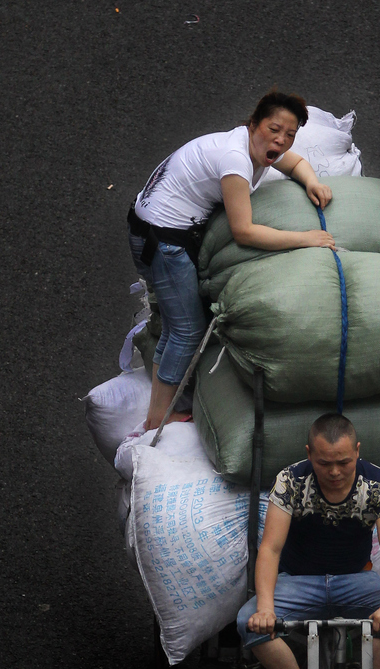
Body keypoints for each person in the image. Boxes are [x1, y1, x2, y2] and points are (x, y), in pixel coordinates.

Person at [127, 90, 336, 430]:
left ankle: (158, 408)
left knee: (176, 327)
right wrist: (306, 239)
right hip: (162, 239)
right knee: (187, 330)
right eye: (274, 129)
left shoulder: (253, 145)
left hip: (150, 229)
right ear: (254, 124)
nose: (281, 140)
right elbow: (244, 232)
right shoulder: (236, 160)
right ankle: (156, 419)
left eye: (290, 134)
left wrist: (312, 181)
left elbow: (295, 163)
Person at [237, 413, 380, 669]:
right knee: (248, 621)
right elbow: (270, 548)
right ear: (309, 454)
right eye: (324, 463)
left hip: (354, 580)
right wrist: (265, 608)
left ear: (357, 451)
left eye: (344, 462)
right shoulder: (290, 480)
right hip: (298, 581)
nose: (334, 472)